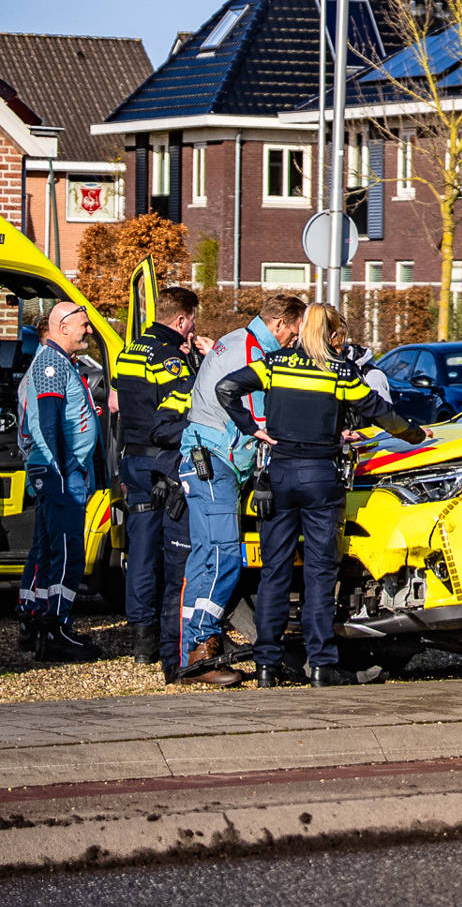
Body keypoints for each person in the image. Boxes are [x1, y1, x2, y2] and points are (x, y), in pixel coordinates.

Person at [218, 305, 426, 687]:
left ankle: (266, 665)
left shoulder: (275, 364)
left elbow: (226, 388)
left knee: (274, 573)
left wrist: (252, 428)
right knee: (318, 574)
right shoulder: (340, 372)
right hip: (320, 478)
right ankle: (320, 664)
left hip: (278, 476)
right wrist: (417, 434)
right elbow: (381, 413)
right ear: (331, 334)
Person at [176, 293, 305, 686]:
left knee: (205, 556)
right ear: (281, 324)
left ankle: (192, 649)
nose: (294, 341)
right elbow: (263, 419)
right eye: (294, 332)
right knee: (222, 555)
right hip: (213, 461)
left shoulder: (234, 340)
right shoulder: (251, 353)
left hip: (204, 458)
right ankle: (201, 648)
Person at [112, 285, 209, 676]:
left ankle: (141, 640)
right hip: (163, 464)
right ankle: (172, 635)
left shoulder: (129, 349)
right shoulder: (170, 358)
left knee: (139, 551)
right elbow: (178, 411)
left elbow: (125, 404)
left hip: (132, 459)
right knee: (173, 553)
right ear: (182, 319)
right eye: (192, 322)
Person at [16, 301, 103, 662]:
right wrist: (63, 470)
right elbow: (49, 421)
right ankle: (56, 629)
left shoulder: (55, 361)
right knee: (68, 551)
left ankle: (36, 620)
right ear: (62, 326)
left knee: (46, 548)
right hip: (58, 471)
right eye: (83, 325)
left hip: (52, 469)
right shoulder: (52, 363)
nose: (89, 331)